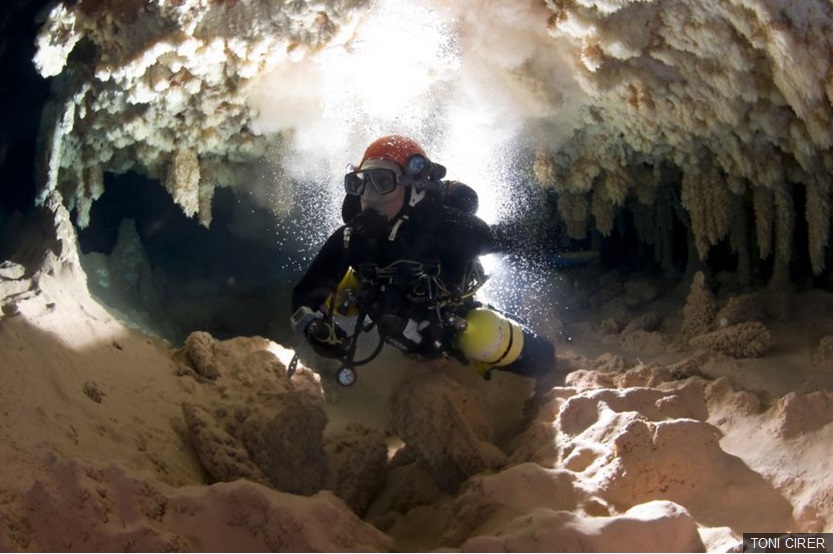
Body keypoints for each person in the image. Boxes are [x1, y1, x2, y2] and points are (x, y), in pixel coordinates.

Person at [289, 135, 554, 384]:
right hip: (391, 320)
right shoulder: (350, 239)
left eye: (383, 182)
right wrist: (312, 328)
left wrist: (544, 235)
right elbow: (303, 295)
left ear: (414, 189)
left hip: (450, 322)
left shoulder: (454, 230)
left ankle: (545, 366)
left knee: (484, 338)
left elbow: (508, 239)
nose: (369, 196)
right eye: (361, 182)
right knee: (344, 294)